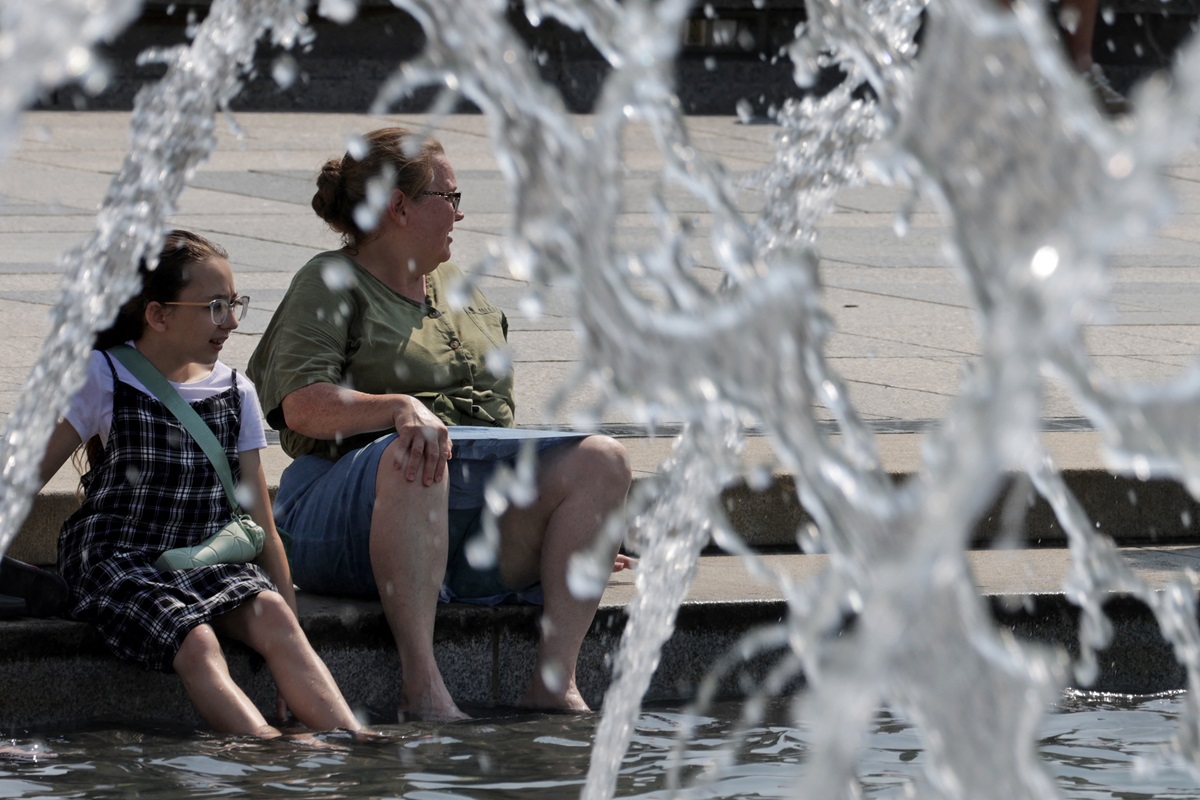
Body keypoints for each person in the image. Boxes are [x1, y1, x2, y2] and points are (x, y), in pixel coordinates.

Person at [247, 127, 633, 721]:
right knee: (414, 451)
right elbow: (300, 405)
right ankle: (421, 687)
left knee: (602, 459)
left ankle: (554, 683)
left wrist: (570, 528)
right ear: (399, 207)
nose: (459, 213)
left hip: (456, 512)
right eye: (448, 198)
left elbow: (491, 424)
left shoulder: (460, 287)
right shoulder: (328, 282)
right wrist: (396, 407)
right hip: (342, 510)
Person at [37, 230, 365, 738]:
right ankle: (267, 750)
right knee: (197, 641)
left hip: (204, 558)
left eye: (234, 304)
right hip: (119, 559)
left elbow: (262, 524)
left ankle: (355, 744)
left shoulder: (238, 391)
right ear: (158, 315)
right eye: (214, 306)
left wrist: (292, 646)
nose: (231, 322)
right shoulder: (104, 376)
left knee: (276, 613)